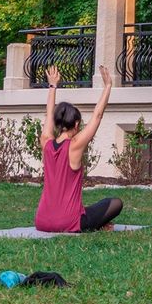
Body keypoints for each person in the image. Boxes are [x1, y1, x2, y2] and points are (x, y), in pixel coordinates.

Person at [34, 64, 122, 233]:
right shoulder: (74, 145)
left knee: (88, 209)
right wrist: (108, 86)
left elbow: (48, 114)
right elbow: (97, 115)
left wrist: (52, 86)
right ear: (76, 124)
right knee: (115, 203)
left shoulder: (46, 143)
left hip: (42, 221)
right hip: (67, 223)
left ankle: (91, 220)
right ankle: (95, 224)